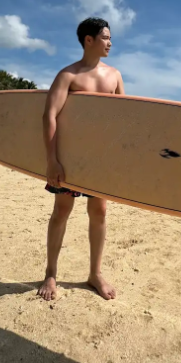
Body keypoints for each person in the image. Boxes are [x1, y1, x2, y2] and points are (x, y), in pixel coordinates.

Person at [38, 17, 125, 301]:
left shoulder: (115, 76)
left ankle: (94, 274)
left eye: (110, 38)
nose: (110, 42)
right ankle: (51, 273)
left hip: (101, 160)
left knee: (99, 213)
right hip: (70, 158)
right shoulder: (69, 76)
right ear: (89, 40)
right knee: (62, 211)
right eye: (105, 37)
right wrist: (52, 160)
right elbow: (49, 116)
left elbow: (126, 120)